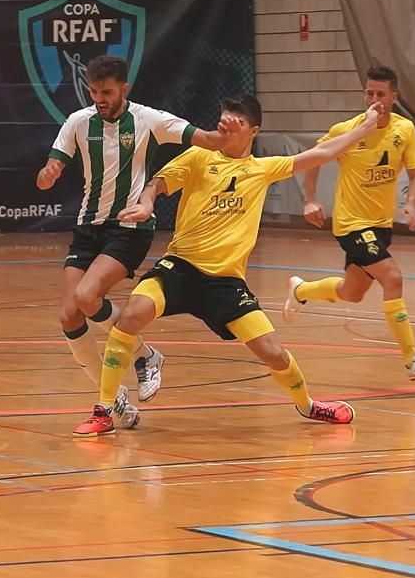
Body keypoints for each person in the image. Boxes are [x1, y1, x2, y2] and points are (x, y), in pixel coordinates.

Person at [71, 93, 381, 437]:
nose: (229, 127)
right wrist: (146, 204)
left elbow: (322, 153)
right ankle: (104, 410)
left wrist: (366, 126)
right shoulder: (200, 156)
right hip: (181, 266)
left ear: (253, 131)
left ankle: (308, 405)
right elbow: (158, 183)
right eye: (226, 119)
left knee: (274, 354)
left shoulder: (262, 169)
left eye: (239, 122)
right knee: (131, 315)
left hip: (226, 283)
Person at [37, 55, 241, 419]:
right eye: (94, 91)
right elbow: (44, 174)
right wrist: (48, 174)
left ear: (124, 88)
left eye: (107, 91)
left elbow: (207, 139)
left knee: (87, 296)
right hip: (88, 228)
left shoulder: (149, 119)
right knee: (69, 315)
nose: (99, 98)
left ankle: (143, 354)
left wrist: (225, 133)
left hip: (129, 228)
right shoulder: (78, 122)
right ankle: (114, 392)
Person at [283, 65, 415, 381]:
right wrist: (310, 199)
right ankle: (413, 360)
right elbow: (313, 158)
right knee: (393, 278)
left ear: (393, 98)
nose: (373, 99)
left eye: (380, 94)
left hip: (380, 226)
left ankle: (302, 290)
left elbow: (414, 174)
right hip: (352, 223)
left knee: (352, 292)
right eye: (368, 93)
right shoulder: (347, 130)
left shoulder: (404, 130)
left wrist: (411, 203)